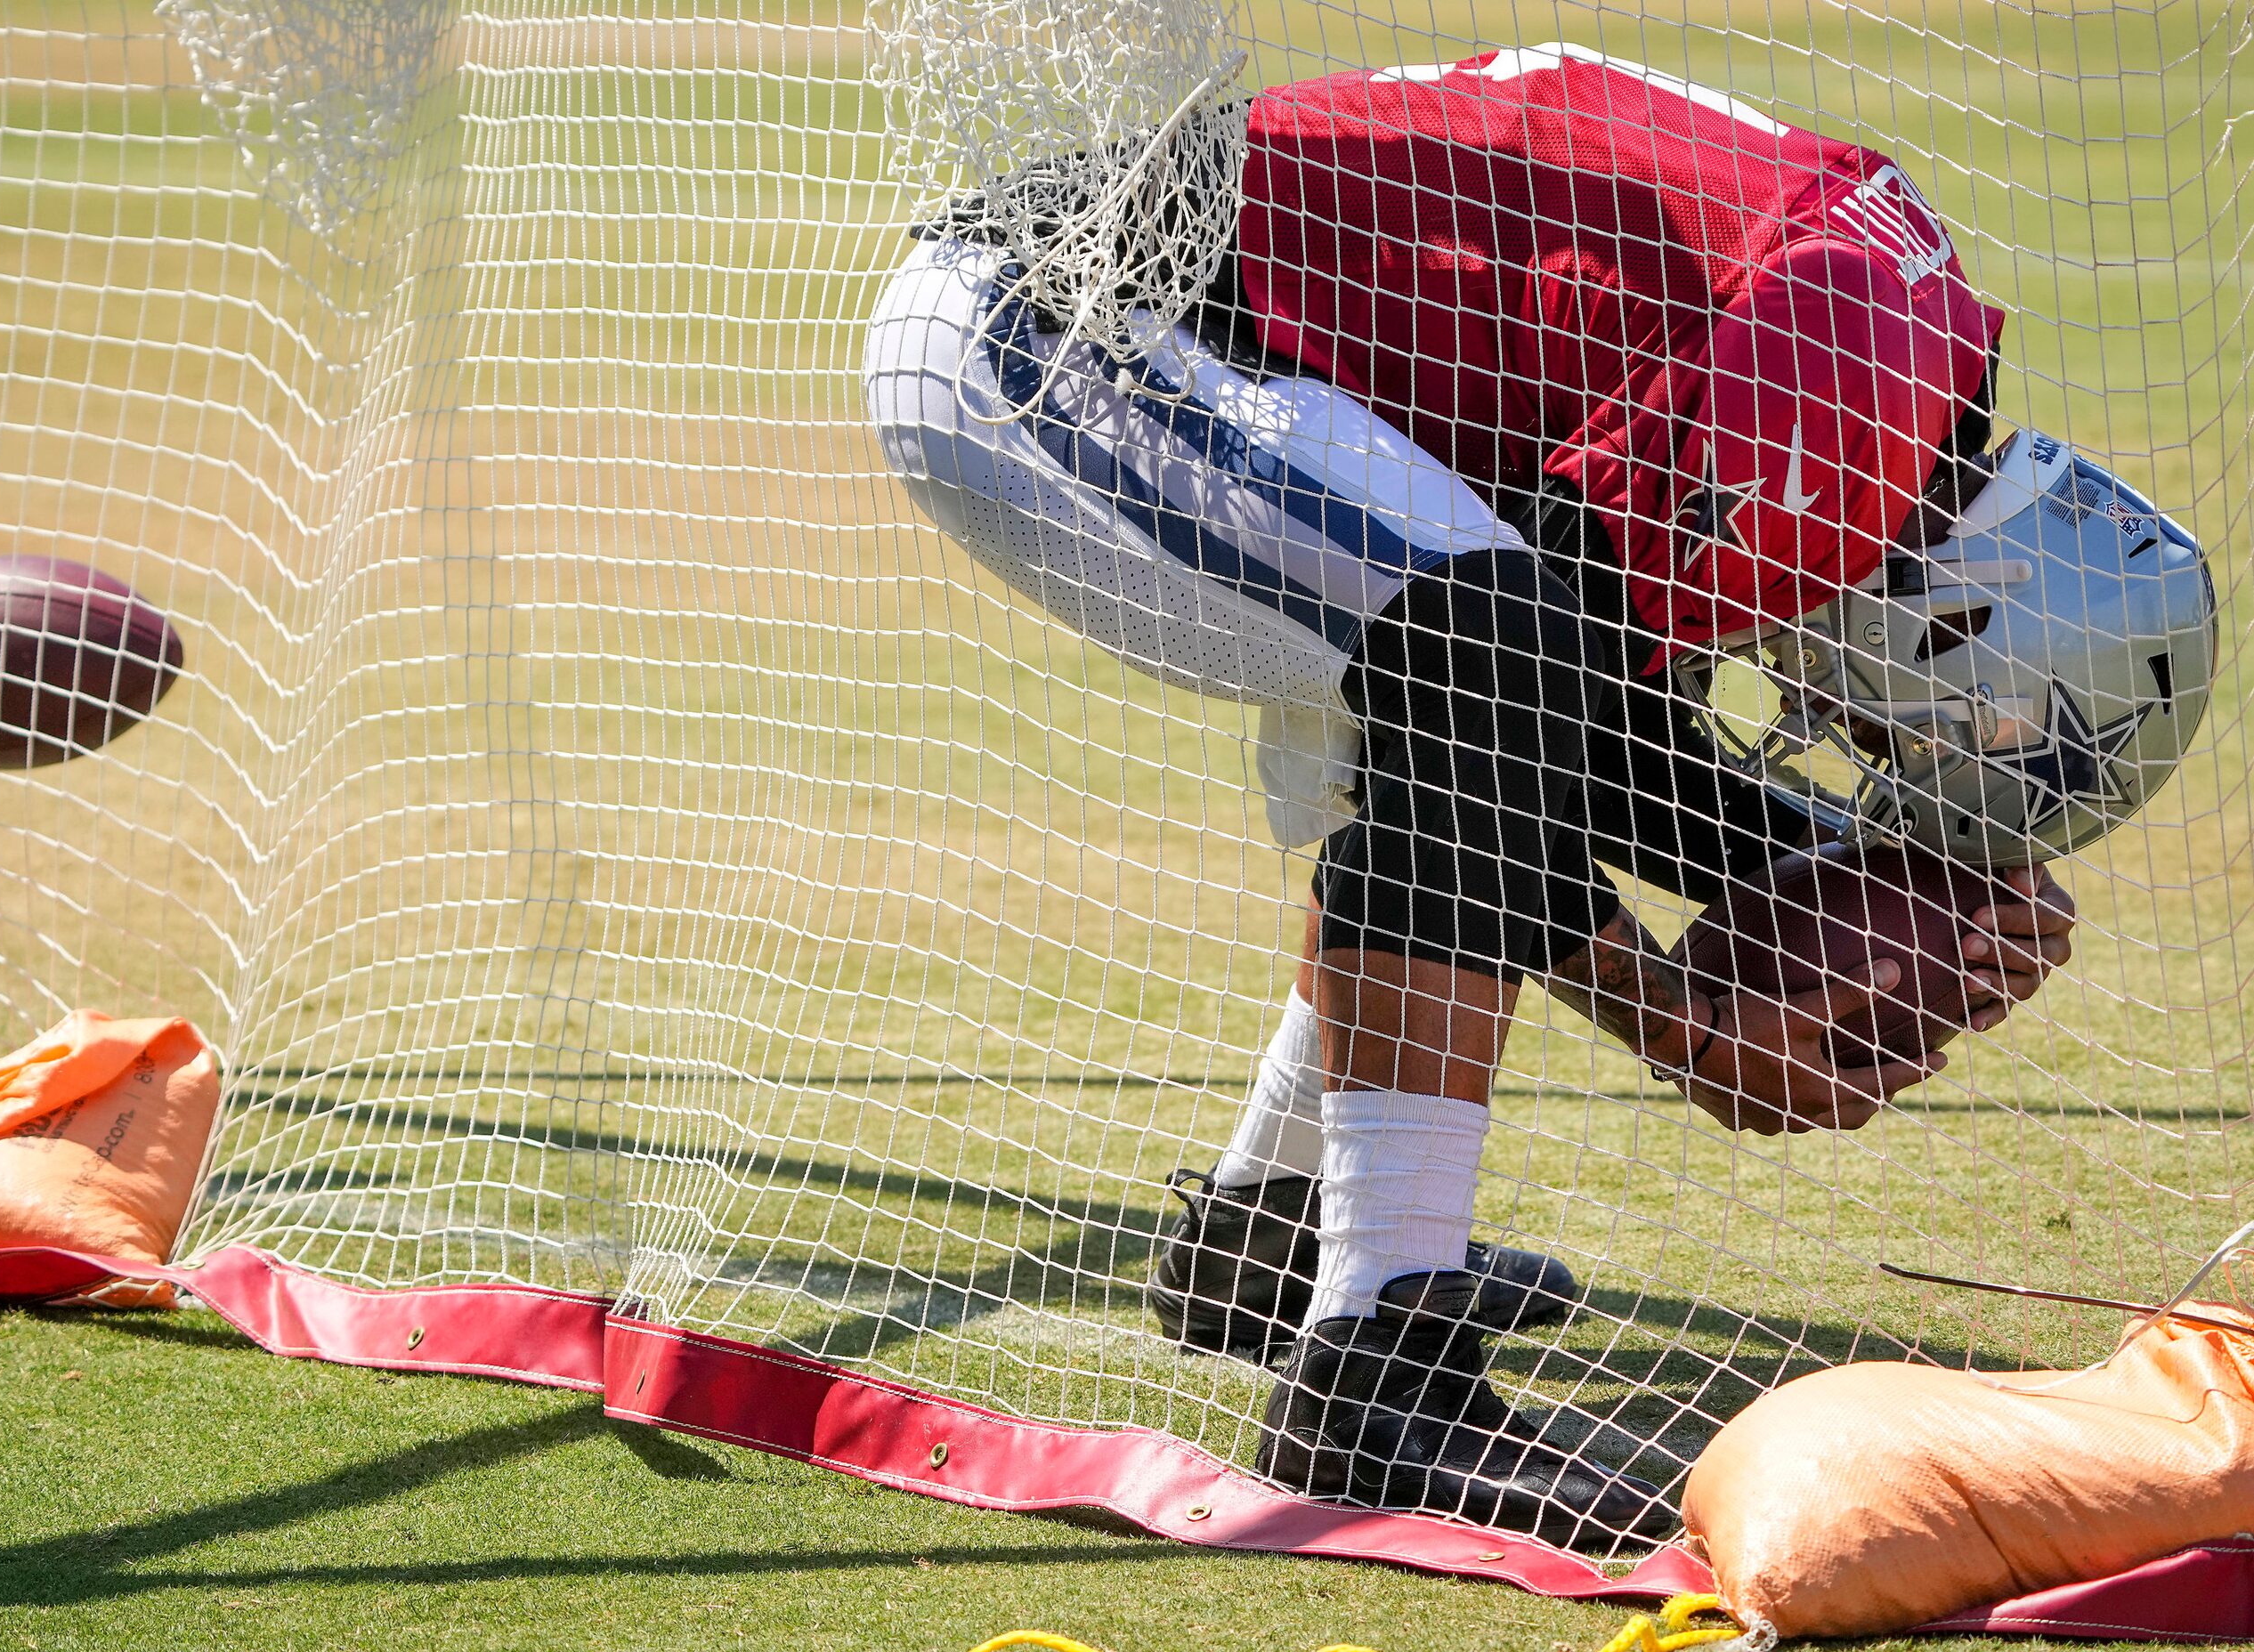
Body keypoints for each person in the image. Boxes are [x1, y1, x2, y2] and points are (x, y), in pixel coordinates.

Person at [861, 45, 2209, 1551]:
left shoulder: (1880, 365)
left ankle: (1265, 1234)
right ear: (1964, 629)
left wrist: (1827, 873)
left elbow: (1563, 726)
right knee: (1479, 660)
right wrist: (1684, 1006)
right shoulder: (1827, 406)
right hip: (1051, 335)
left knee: (1469, 659)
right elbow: (1532, 724)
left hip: (1189, 340)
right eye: (1900, 760)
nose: (1843, 740)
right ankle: (1379, 1375)